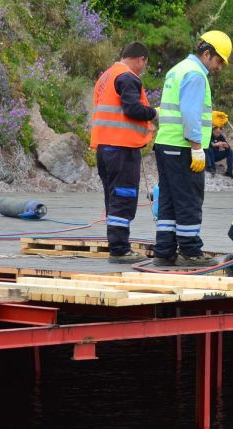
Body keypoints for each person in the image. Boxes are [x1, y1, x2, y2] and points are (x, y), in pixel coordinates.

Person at [152, 30, 232, 267]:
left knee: (168, 199)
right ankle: (190, 251)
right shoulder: (196, 74)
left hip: (166, 144)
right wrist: (197, 147)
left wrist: (208, 118)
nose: (219, 67)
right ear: (207, 54)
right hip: (183, 147)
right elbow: (188, 113)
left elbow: (178, 108)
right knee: (189, 197)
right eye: (218, 61)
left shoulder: (177, 69)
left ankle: (164, 251)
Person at [90, 41, 157, 264]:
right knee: (124, 196)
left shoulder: (106, 77)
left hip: (104, 147)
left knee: (113, 196)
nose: (142, 69)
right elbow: (132, 109)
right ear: (141, 59)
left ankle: (116, 244)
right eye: (144, 65)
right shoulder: (128, 77)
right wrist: (153, 113)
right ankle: (119, 250)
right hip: (121, 148)